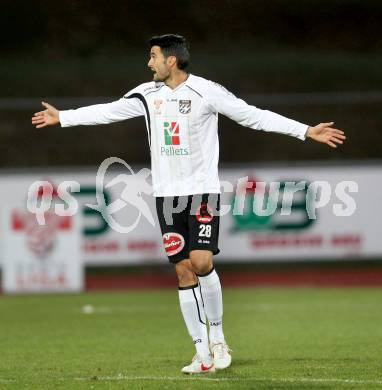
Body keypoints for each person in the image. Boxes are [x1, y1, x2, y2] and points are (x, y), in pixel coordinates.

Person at [31, 34, 346, 374]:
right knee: (182, 270)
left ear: (171, 60)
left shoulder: (207, 91)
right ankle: (201, 353)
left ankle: (219, 337)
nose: (149, 63)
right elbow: (108, 112)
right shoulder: (146, 94)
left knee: (200, 260)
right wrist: (64, 117)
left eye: (153, 56)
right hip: (165, 196)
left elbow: (253, 115)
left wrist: (304, 131)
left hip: (202, 192)